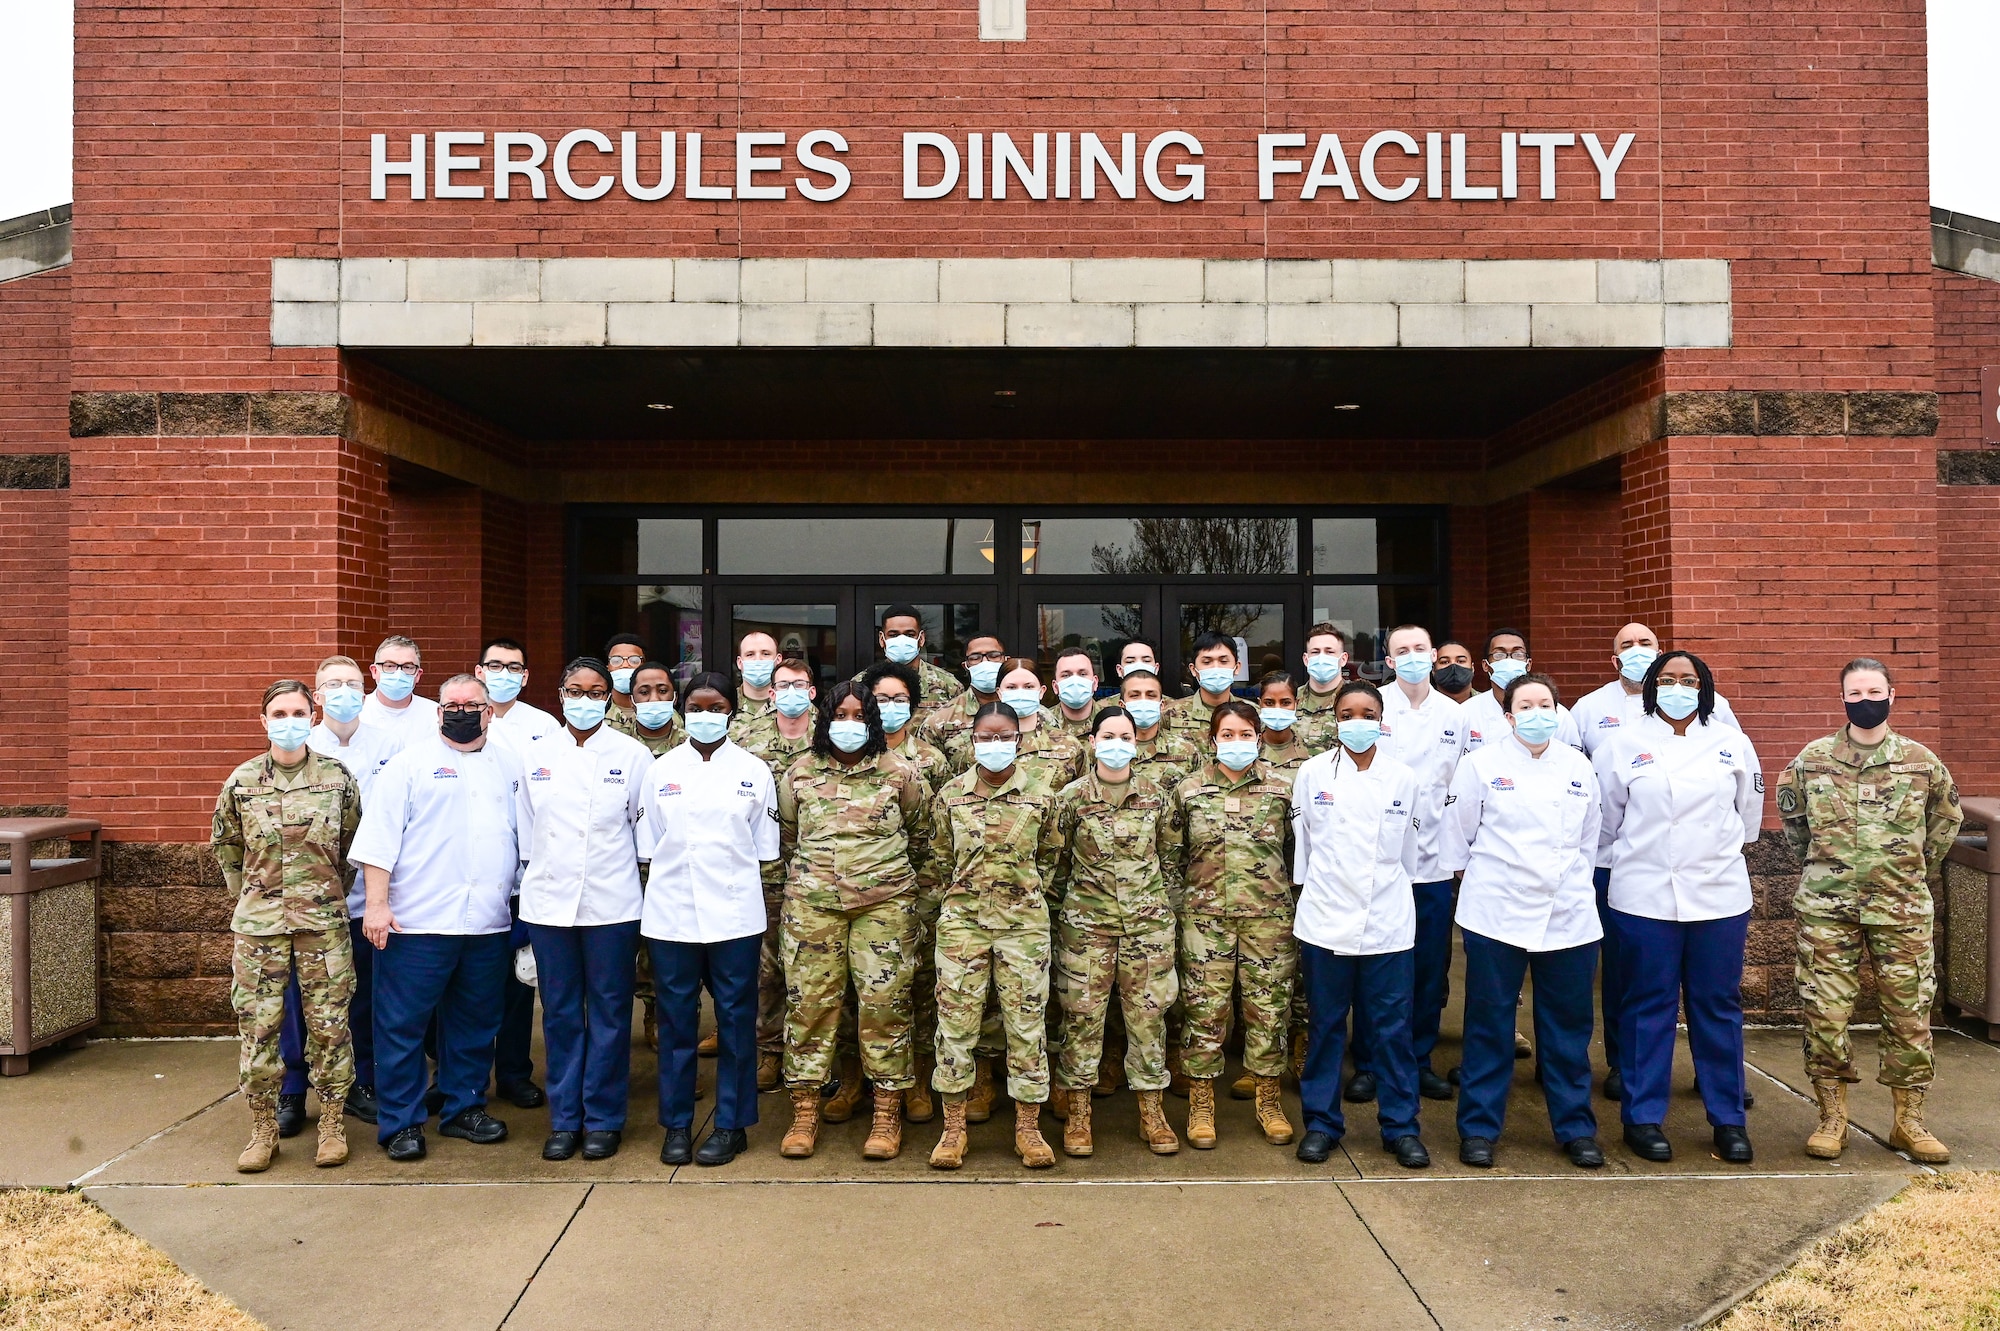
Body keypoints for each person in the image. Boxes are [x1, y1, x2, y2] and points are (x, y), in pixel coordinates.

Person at [1777, 657, 1962, 1165]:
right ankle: (1832, 1118)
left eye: (1874, 691)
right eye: (1854, 694)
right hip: (1826, 911)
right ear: (1842, 699)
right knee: (1826, 1012)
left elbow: (1944, 824)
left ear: (1892, 695)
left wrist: (1899, 873)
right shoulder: (1810, 762)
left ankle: (1909, 1121)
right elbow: (1796, 831)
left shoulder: (1923, 763)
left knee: (1909, 1015)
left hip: (1900, 909)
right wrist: (1836, 872)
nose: (1865, 701)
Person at [1594, 651, 1761, 1164]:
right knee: (1649, 1007)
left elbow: (1748, 819)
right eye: (1667, 680)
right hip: (1644, 896)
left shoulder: (1731, 742)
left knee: (1718, 1005)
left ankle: (1728, 1119)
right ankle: (1642, 1118)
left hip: (1717, 894)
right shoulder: (1624, 743)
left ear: (1704, 687)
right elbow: (1605, 822)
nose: (1678, 687)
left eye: (1689, 680)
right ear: (1651, 687)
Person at [350, 673, 523, 1162]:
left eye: (472, 704)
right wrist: (377, 907)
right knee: (401, 1027)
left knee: (474, 1023)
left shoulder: (509, 766)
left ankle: (464, 1108)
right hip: (415, 924)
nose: (461, 711)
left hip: (486, 923)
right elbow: (378, 843)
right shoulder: (407, 766)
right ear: (438, 710)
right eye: (452, 704)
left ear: (489, 713)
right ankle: (401, 1123)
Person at [1441, 673, 1604, 1170]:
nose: (1536, 714)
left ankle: (1575, 1127)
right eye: (1525, 706)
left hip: (1568, 914)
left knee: (1567, 1028)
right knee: (1489, 1025)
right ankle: (1478, 1129)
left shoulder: (1579, 767)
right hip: (1497, 912)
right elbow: (1458, 838)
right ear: (1508, 715)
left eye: (1546, 705)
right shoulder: (1481, 764)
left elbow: (1590, 840)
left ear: (1558, 712)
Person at [1572, 622, 1740, 1101]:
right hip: (1627, 868)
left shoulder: (1722, 720)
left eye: (1646, 643)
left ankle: (1721, 1098)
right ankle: (1630, 1074)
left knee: (1714, 998)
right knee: (1634, 984)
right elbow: (1603, 806)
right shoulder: (1597, 713)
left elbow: (1743, 810)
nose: (1637, 651)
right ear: (1615, 658)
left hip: (1709, 877)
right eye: (1625, 644)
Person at [775, 681, 933, 1161]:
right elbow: (785, 837)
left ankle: (886, 1112)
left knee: (885, 1005)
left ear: (874, 721)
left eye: (859, 715)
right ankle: (805, 1111)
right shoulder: (800, 773)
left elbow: (922, 836)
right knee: (810, 1007)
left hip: (884, 909)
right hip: (813, 908)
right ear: (825, 719)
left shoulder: (900, 773)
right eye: (839, 714)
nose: (849, 724)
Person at [212, 680, 364, 1172]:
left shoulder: (337, 778)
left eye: (298, 711)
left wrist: (319, 895)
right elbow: (228, 849)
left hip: (322, 925)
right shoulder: (242, 780)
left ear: (312, 716)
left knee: (330, 1027)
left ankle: (333, 1124)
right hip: (260, 928)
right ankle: (263, 1130)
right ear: (263, 720)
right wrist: (256, 901)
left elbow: (350, 847)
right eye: (279, 713)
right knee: (258, 1028)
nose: (289, 720)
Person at [514, 658, 652, 1163]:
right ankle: (565, 1118)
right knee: (560, 1013)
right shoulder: (535, 755)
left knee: (613, 1014)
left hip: (612, 903)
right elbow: (526, 829)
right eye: (576, 689)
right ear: (560, 693)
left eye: (597, 692)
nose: (586, 699)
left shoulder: (633, 756)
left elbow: (643, 834)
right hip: (549, 903)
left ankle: (604, 1119)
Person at [639, 672, 778, 1167]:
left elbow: (765, 847)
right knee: (677, 1023)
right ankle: (676, 1125)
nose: (705, 714)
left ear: (731, 710)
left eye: (715, 706)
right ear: (683, 708)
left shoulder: (754, 771)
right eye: (696, 706)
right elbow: (648, 842)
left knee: (737, 1021)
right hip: (671, 915)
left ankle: (731, 1124)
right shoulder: (660, 770)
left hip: (735, 916)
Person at [1290, 681, 1429, 1169]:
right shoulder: (1311, 774)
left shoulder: (1403, 779)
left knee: (1392, 1029)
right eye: (1347, 712)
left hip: (1387, 922)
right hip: (1325, 920)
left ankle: (1400, 1126)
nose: (1357, 720)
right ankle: (1322, 1124)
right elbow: (1303, 848)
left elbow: (1408, 857)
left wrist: (1389, 897)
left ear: (1381, 718)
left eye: (1367, 712)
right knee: (1326, 1027)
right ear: (1335, 718)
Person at [925, 703, 1065, 1170]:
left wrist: (1020, 897)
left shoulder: (1043, 798)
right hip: (963, 927)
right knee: (956, 1027)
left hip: (1023, 928)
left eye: (1004, 736)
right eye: (986, 737)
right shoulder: (950, 796)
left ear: (1019, 740)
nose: (995, 744)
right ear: (972, 740)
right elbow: (942, 858)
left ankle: (1028, 1128)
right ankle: (953, 1130)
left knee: (1026, 1027)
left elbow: (1050, 859)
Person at [1048, 706, 1182, 1156]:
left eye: (1126, 736)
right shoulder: (1070, 799)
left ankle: (1152, 1113)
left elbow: (1170, 857)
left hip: (1147, 928)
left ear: (1137, 744)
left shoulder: (1158, 796)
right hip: (1087, 929)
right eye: (1108, 734)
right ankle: (1080, 1115)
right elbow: (1055, 863)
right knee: (1081, 1020)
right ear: (1092, 741)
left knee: (1148, 1021)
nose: (1117, 743)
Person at [1167, 700, 1298, 1148]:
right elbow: (1172, 856)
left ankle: (1268, 1098)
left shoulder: (1284, 789)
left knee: (1268, 1012)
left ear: (1258, 738)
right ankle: (1202, 1103)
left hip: (1270, 920)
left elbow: (1300, 854)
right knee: (1204, 1012)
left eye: (1245, 734)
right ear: (1212, 739)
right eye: (1228, 734)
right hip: (1206, 922)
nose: (1236, 742)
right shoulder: (1188, 791)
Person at [297, 655, 401, 1130]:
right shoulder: (302, 747)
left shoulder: (391, 745)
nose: (343, 691)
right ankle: (294, 1092)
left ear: (366, 691)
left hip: (370, 900)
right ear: (317, 696)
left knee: (367, 998)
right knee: (307, 1003)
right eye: (332, 684)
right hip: (311, 904)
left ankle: (364, 1085)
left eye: (352, 683)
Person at [1377, 625, 1469, 1103]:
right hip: (1381, 863)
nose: (1411, 657)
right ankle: (1373, 1062)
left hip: (1433, 863)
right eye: (1401, 651)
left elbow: (1459, 788)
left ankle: (1418, 1058)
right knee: (1379, 968)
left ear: (1433, 656)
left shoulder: (1455, 715)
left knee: (1429, 967)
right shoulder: (1372, 707)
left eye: (1419, 649)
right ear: (1389, 660)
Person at [864, 660, 952, 1122]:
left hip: (923, 890)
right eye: (881, 698)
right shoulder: (853, 756)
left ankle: (917, 1076)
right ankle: (855, 1081)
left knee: (918, 987)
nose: (890, 707)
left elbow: (934, 833)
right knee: (867, 991)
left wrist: (927, 893)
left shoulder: (931, 760)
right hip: (869, 899)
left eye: (900, 699)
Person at [477, 636, 555, 1112]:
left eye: (514, 666)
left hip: (521, 876)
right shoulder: (456, 716)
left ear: (526, 676)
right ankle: (456, 1074)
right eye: (495, 665)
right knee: (465, 985)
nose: (504, 672)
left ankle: (513, 1072)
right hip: (467, 872)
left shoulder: (542, 727)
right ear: (480, 670)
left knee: (516, 985)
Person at [733, 655, 818, 1093]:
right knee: (766, 970)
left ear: (812, 690)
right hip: (762, 872)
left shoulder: (833, 735)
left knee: (817, 973)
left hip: (821, 875)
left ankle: (822, 1056)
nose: (790, 692)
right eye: (782, 685)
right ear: (769, 692)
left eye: (798, 684)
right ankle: (768, 1052)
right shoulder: (743, 738)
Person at [1461, 629, 1580, 753]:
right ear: (1486, 665)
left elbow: (1571, 760)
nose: (1509, 661)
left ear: (1528, 664)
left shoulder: (1557, 713)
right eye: (1499, 655)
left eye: (1518, 654)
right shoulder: (1467, 712)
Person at [919, 634, 1010, 773]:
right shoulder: (939, 721)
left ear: (1006, 660)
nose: (985, 662)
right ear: (966, 665)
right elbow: (929, 774)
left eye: (994, 655)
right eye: (975, 658)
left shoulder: (1033, 714)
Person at [854, 604, 963, 714]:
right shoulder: (860, 685)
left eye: (910, 635)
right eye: (893, 635)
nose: (901, 640)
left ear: (921, 638)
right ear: (882, 639)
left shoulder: (948, 686)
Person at [999, 660, 1088, 785]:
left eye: (1029, 687)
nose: (1020, 693)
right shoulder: (980, 742)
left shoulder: (1069, 745)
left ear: (1041, 691)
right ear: (999, 693)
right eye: (1011, 687)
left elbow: (1082, 795)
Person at [1117, 666, 1201, 789]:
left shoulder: (1186, 751)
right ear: (1122, 705)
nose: (1143, 701)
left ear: (1162, 705)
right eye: (1135, 695)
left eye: (1151, 695)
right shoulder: (1108, 749)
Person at [1164, 631, 1243, 739]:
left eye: (1223, 661)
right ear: (1193, 669)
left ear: (1237, 667)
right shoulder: (1169, 714)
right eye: (1207, 662)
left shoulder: (1254, 713)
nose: (1216, 668)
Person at [362, 635, 438, 742]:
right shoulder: (358, 711)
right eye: (389, 666)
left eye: (407, 667)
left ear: (418, 675)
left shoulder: (435, 715)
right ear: (374, 671)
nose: (398, 674)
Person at [1292, 623, 1350, 747]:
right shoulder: (1290, 700)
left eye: (1329, 652)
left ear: (1343, 659)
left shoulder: (1356, 699)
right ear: (1306, 659)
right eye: (1315, 652)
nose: (1321, 657)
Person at [1254, 671, 1315, 777]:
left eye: (1286, 703)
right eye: (1269, 703)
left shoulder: (1314, 751)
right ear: (1260, 704)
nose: (1277, 708)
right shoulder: (1247, 749)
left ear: (1297, 703)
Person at [626, 660, 681, 757]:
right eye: (644, 692)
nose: (654, 699)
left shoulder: (691, 744)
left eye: (662, 691)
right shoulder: (616, 744)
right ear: (631, 701)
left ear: (675, 697)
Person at [602, 633, 651, 736]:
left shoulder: (659, 710)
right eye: (616, 661)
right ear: (608, 667)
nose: (625, 665)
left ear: (644, 666)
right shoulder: (596, 710)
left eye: (634, 660)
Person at [733, 631, 782, 727]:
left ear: (778, 660)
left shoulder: (794, 704)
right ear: (739, 663)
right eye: (750, 654)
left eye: (766, 654)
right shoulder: (726, 704)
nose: (758, 659)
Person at [1049, 647, 1101, 736]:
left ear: (1095, 683)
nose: (1075, 680)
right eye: (1066, 675)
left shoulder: (1113, 720)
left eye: (1083, 674)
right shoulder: (1042, 722)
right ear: (1055, 686)